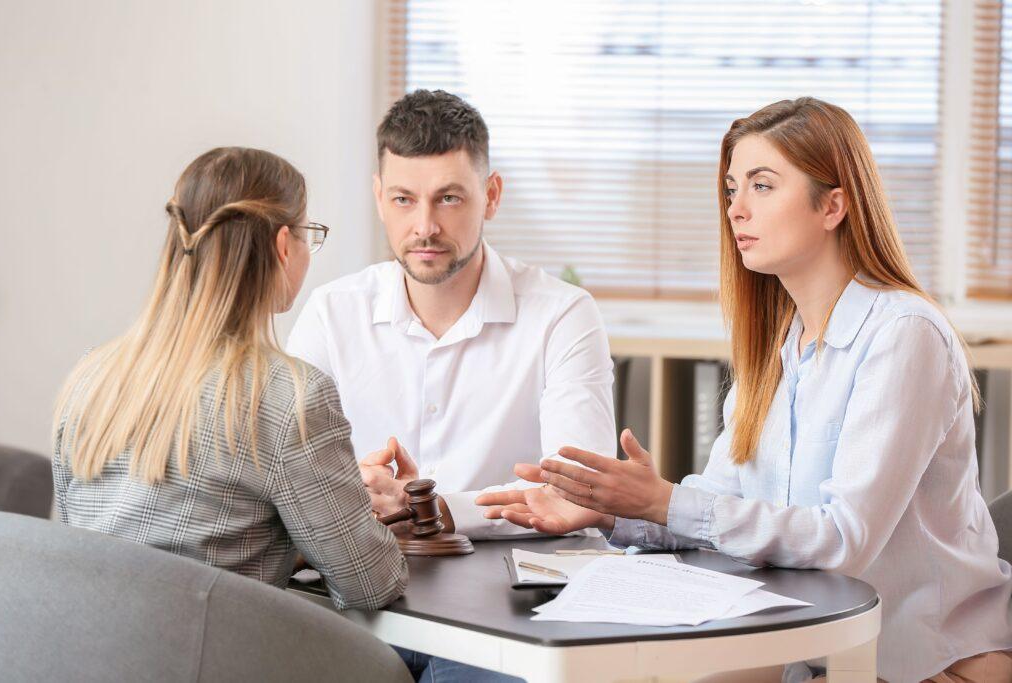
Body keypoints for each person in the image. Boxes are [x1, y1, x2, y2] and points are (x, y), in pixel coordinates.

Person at [477, 98, 1012, 682]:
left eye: (762, 185)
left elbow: (842, 541)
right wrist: (608, 512)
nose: (736, 209)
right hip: (810, 651)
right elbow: (721, 503)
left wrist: (661, 500)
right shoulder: (779, 349)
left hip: (924, 665)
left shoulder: (904, 336)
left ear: (832, 205)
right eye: (732, 189)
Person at [52, 147, 407, 610]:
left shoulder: (91, 375)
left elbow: (104, 541)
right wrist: (352, 519)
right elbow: (372, 585)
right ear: (284, 246)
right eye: (308, 235)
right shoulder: (290, 397)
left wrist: (300, 525)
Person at [286, 89, 617, 539]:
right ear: (380, 198)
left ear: (491, 196)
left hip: (517, 590)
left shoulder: (562, 315)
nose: (425, 226)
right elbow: (290, 479)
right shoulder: (331, 313)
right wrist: (355, 489)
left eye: (448, 199)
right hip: (373, 576)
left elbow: (578, 492)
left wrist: (429, 509)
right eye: (404, 199)